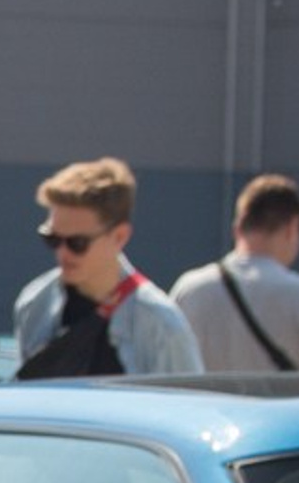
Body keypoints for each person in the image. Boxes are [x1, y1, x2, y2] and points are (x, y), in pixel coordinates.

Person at [12, 156, 201, 380]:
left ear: (119, 236)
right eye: (52, 238)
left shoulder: (160, 324)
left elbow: (187, 408)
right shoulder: (34, 302)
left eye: (77, 243)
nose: (62, 253)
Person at [169, 173, 299, 372]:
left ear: (238, 227)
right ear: (292, 228)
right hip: (280, 403)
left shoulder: (189, 289)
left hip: (203, 402)